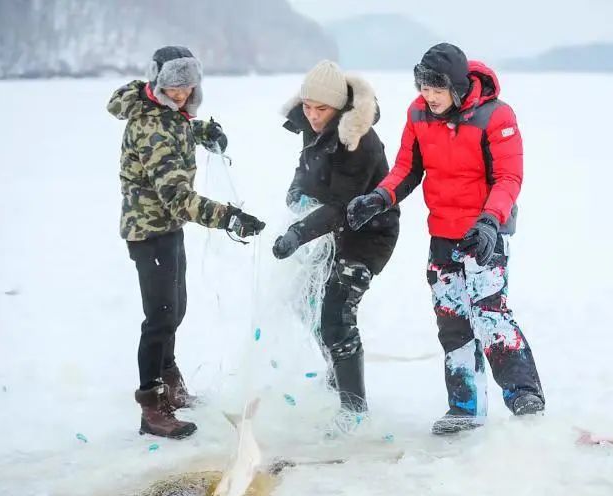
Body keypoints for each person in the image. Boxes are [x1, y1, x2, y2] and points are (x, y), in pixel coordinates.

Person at [347, 43, 545, 435]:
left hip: (486, 232)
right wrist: (379, 198)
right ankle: (464, 406)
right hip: (443, 233)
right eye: (423, 87)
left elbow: (509, 177)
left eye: (436, 89)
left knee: (490, 313)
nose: (428, 96)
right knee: (452, 319)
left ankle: (525, 395)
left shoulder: (495, 115)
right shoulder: (418, 113)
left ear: (456, 87)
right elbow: (406, 168)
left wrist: (490, 222)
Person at [107, 46, 265, 439]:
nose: (181, 93)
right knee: (159, 318)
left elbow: (174, 128)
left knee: (174, 309)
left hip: (167, 228)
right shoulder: (152, 126)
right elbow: (176, 195)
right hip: (149, 232)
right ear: (159, 83)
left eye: (187, 84)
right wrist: (229, 216)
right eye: (174, 86)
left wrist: (201, 131)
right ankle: (152, 407)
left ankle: (170, 382)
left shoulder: (167, 115)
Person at [273, 60, 400, 417]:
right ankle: (336, 373)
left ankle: (354, 409)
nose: (312, 116)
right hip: (331, 230)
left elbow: (343, 206)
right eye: (308, 108)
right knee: (304, 299)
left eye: (321, 109)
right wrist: (296, 191)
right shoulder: (313, 125)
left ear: (339, 106)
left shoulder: (358, 140)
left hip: (368, 233)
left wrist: (298, 233)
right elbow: (306, 170)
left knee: (337, 315)